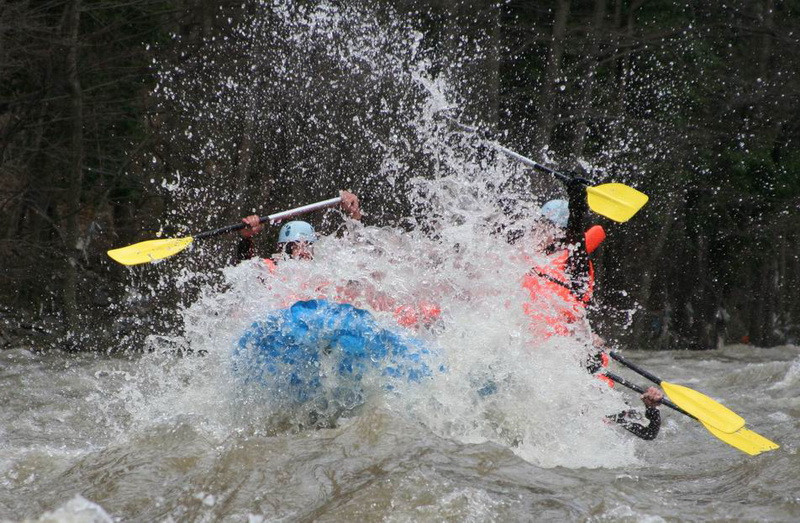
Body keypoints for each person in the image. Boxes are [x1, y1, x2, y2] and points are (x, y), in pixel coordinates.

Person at [523, 175, 664, 440]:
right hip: (539, 358)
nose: (536, 232)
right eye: (538, 225)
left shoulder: (574, 268)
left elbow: (647, 433)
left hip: (573, 361)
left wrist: (651, 408)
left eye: (544, 226)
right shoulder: (527, 263)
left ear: (559, 233)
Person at [236, 190, 362, 265]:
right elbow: (246, 268)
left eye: (307, 245)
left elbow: (357, 256)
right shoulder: (272, 272)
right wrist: (247, 238)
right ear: (282, 250)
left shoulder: (324, 274)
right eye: (293, 246)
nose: (302, 251)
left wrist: (354, 213)